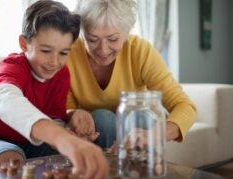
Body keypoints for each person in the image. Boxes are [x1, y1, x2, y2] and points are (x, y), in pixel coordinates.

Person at [0, 1, 108, 179]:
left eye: (63, 53)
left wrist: (68, 133)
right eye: (45, 50)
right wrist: (61, 138)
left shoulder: (62, 74)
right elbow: (6, 100)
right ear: (23, 43)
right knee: (11, 159)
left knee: (72, 159)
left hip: (31, 142)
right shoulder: (11, 67)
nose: (54, 62)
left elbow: (54, 118)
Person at [66, 0, 197, 149]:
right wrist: (73, 114)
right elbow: (67, 106)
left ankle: (136, 170)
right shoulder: (69, 53)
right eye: (93, 39)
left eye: (113, 39)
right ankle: (104, 170)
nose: (103, 50)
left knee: (139, 117)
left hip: (137, 127)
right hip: (98, 129)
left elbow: (185, 106)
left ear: (126, 32)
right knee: (103, 118)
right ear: (82, 34)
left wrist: (156, 135)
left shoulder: (140, 51)